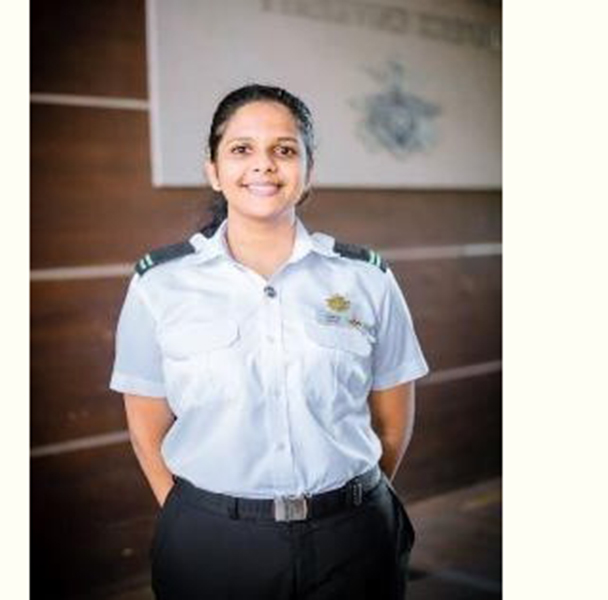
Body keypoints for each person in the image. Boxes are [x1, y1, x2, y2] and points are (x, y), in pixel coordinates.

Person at [110, 84, 430, 600]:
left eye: (284, 150)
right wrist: (195, 515)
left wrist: (347, 504)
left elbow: (393, 418)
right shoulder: (160, 284)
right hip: (213, 543)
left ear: (308, 172)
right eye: (241, 150)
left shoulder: (365, 278)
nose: (263, 165)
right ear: (214, 170)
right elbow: (146, 426)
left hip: (354, 538)